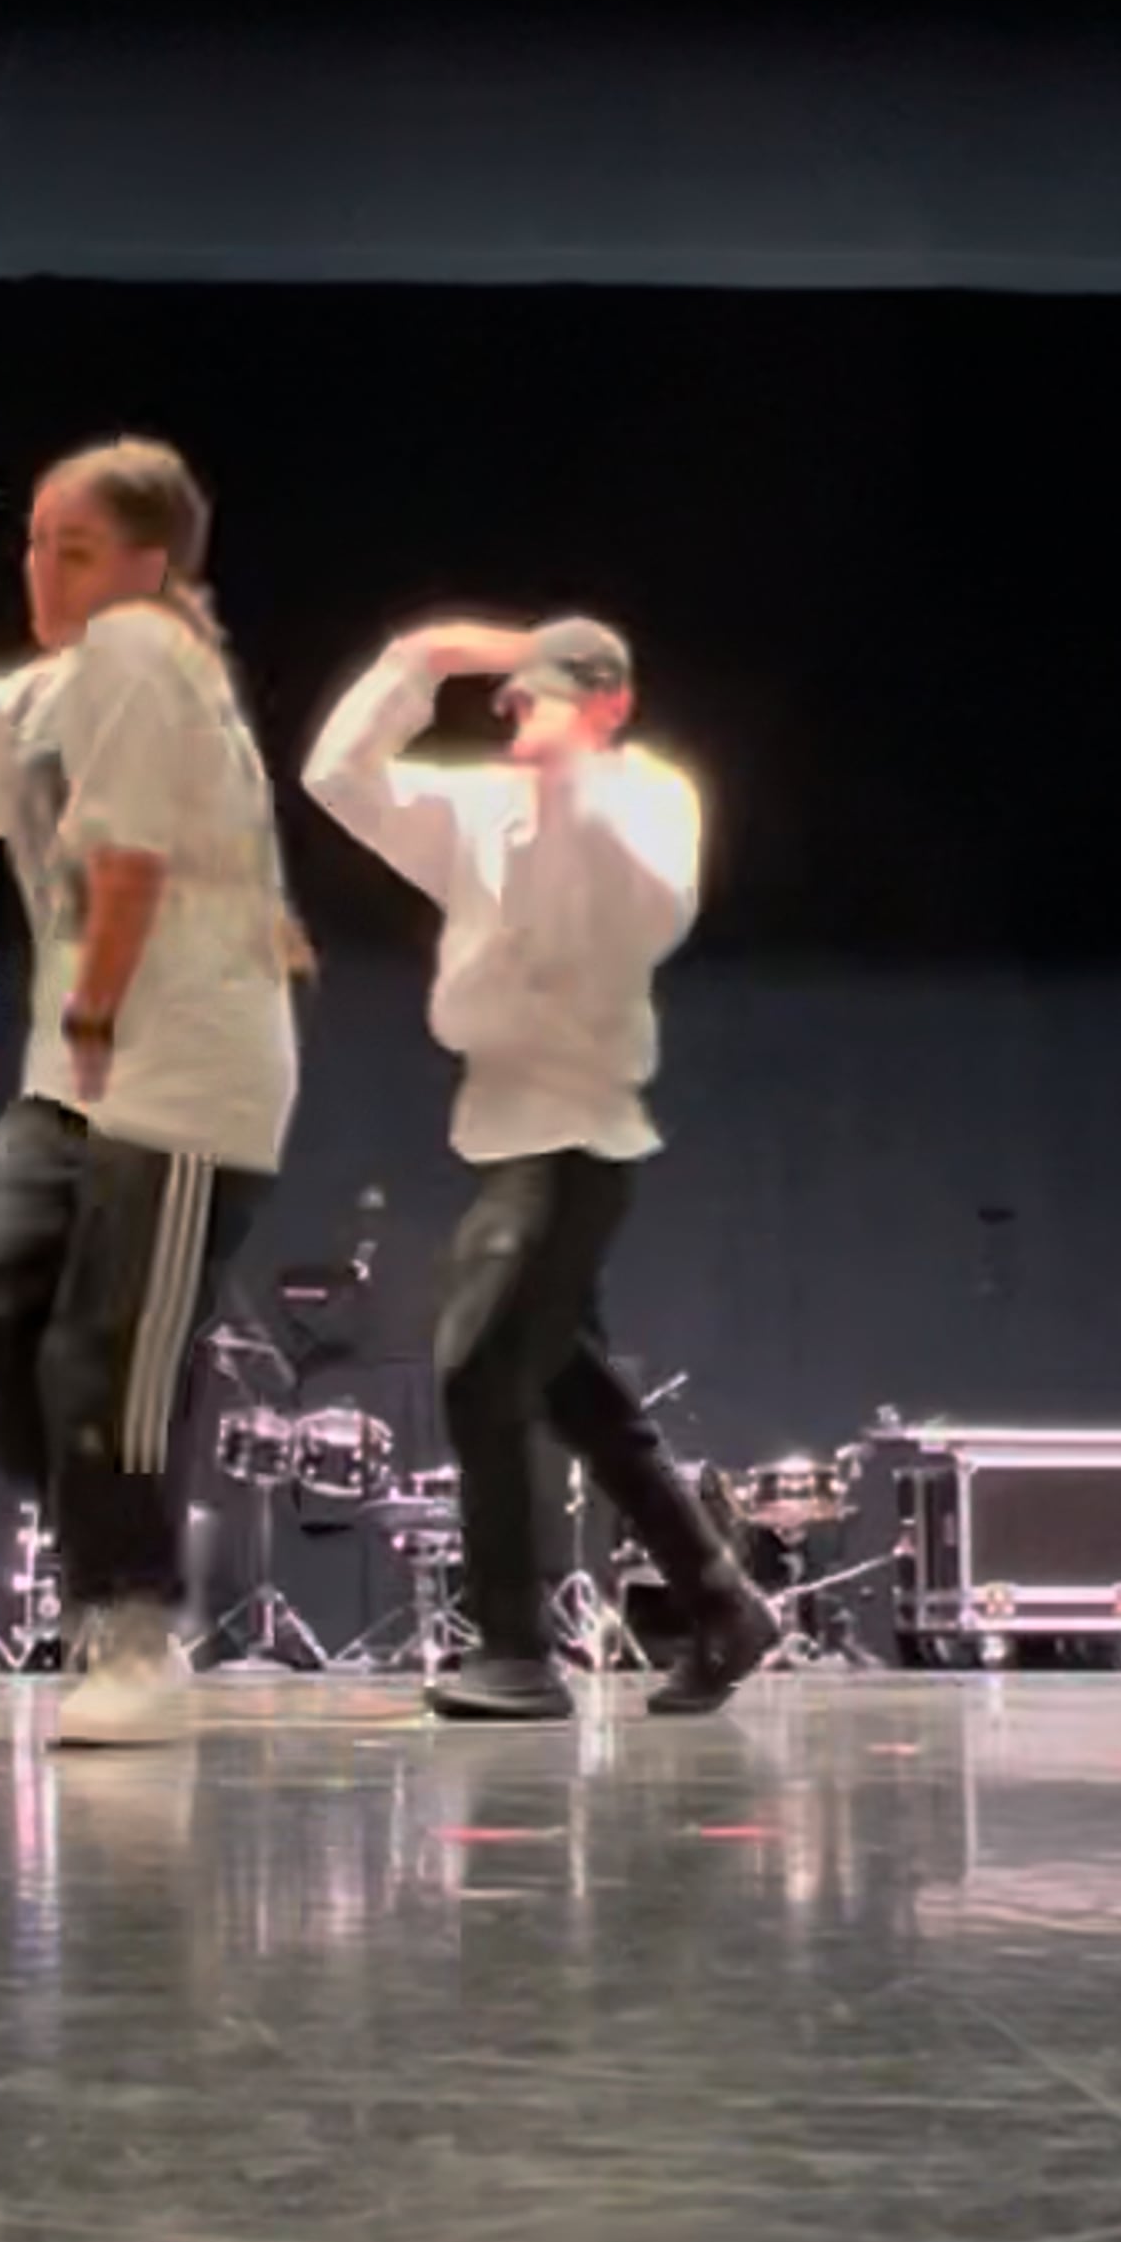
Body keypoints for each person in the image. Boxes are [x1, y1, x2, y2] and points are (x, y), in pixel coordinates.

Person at [0, 437, 300, 1744]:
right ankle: (120, 1535)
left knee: (105, 1354)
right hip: (79, 1078)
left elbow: (131, 858)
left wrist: (92, 1008)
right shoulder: (56, 685)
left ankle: (132, 1631)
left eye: (73, 548)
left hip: (185, 1070)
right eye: (33, 543)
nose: (40, 568)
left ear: (148, 564)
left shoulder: (149, 655)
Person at [304, 612, 770, 1720]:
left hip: (578, 1133)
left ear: (610, 704)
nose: (515, 709)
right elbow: (339, 778)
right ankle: (723, 1604)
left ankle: (514, 1653)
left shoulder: (649, 795)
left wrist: (573, 789)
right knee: (582, 1397)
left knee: (475, 1363)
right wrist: (418, 662)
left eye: (543, 694)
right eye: (511, 695)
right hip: (502, 1126)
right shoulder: (481, 806)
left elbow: (652, 914)